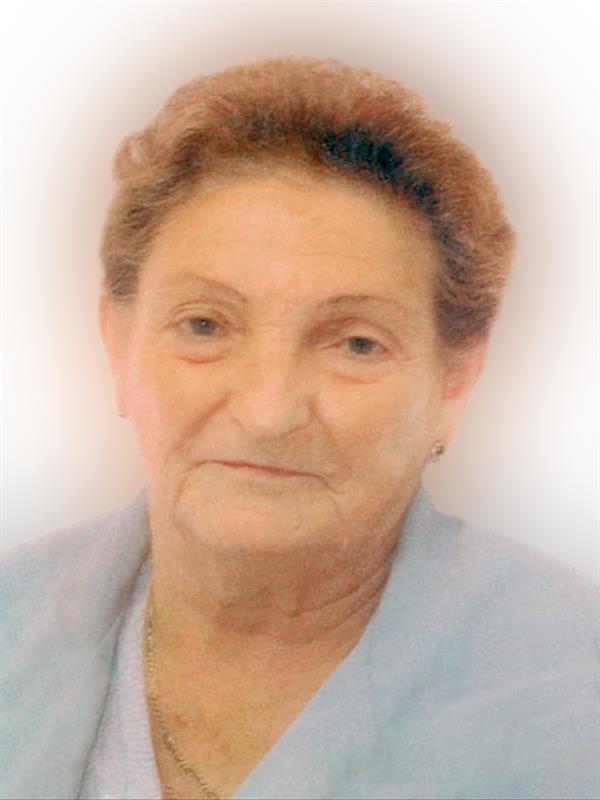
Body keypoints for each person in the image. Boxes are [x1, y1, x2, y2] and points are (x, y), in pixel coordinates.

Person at [1, 55, 598, 800]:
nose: (268, 410)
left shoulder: (578, 681)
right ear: (118, 346)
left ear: (455, 382)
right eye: (205, 325)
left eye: (356, 343)